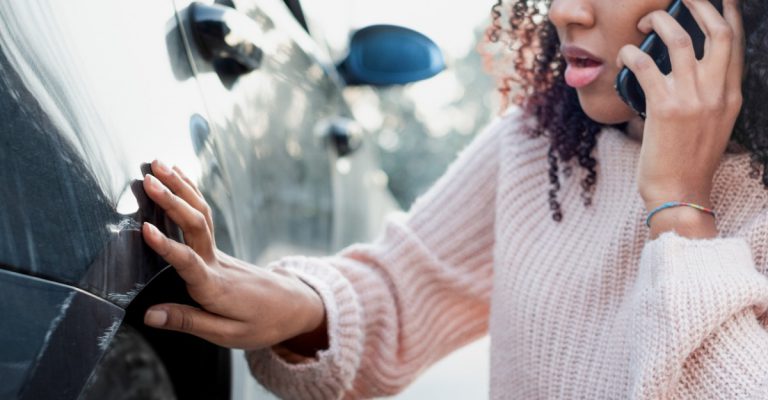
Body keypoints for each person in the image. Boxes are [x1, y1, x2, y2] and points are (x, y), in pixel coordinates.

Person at [139, 0, 768, 397]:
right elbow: (402, 285)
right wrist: (296, 305)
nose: (564, 11)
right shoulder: (538, 142)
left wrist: (680, 207)